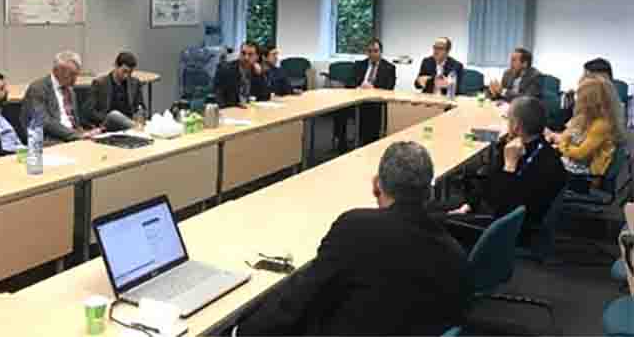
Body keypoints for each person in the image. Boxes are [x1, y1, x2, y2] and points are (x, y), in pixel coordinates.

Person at [236, 142, 469, 336]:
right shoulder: (453, 251)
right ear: (429, 191)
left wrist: (241, 331)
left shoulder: (355, 228)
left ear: (377, 184)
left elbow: (302, 298)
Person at [444, 96, 567, 246]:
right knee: (436, 211)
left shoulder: (546, 163)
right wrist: (468, 205)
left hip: (507, 229)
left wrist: (510, 166)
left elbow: (505, 209)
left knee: (434, 221)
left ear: (516, 126)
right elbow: (488, 181)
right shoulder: (515, 146)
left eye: (508, 119)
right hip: (491, 212)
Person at [546, 76, 626, 191]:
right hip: (574, 165)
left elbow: (580, 154)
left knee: (539, 166)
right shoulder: (586, 117)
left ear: (590, 100)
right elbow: (567, 136)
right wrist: (562, 141)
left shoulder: (602, 124)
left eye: (580, 96)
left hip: (585, 176)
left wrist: (562, 144)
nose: (578, 99)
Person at [20, 51, 102, 143]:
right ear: (57, 71)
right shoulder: (37, 89)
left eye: (76, 74)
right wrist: (76, 135)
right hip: (49, 138)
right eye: (71, 74)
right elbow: (46, 123)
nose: (75, 80)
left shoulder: (70, 91)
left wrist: (87, 133)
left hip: (72, 137)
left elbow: (74, 123)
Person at [334, 38, 397, 152]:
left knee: (369, 114)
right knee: (339, 109)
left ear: (381, 52)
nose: (373, 54)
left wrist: (373, 89)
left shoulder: (389, 68)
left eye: (375, 51)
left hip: (375, 103)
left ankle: (367, 143)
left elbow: (389, 88)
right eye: (370, 51)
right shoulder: (359, 65)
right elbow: (349, 82)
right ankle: (341, 141)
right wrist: (359, 86)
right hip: (357, 99)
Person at [84, 51, 146, 132]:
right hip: (108, 123)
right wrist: (104, 119)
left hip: (128, 122)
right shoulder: (100, 83)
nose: (126, 76)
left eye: (130, 73)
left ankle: (135, 128)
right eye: (124, 71)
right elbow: (89, 111)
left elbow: (141, 106)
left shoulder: (135, 83)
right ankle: (137, 129)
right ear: (116, 66)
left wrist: (140, 114)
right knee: (114, 115)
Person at [213, 42, 269, 108]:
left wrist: (260, 75)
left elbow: (265, 96)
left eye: (250, 54)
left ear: (257, 57)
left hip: (251, 111)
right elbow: (219, 97)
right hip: (232, 111)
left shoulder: (257, 71)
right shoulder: (225, 70)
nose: (246, 57)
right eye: (243, 53)